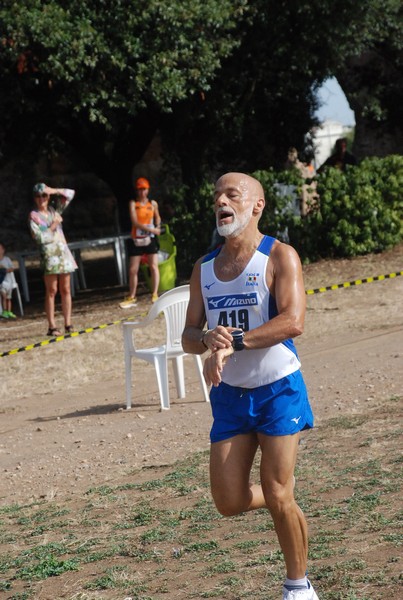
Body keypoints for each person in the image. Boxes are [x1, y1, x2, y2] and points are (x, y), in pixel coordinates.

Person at [182, 172, 319, 600]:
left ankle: (298, 586)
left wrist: (233, 342)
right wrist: (206, 339)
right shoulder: (204, 267)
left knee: (277, 490)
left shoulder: (280, 256)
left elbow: (293, 321)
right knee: (229, 501)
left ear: (256, 205)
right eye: (216, 194)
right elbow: (188, 335)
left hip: (278, 387)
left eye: (231, 194)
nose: (220, 201)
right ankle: (286, 502)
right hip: (229, 395)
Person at [29, 183, 77, 336]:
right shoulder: (34, 216)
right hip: (50, 256)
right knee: (52, 290)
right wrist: (53, 225)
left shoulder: (54, 209)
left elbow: (70, 193)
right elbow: (39, 238)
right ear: (34, 198)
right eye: (38, 196)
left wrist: (54, 190)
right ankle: (52, 326)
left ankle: (68, 323)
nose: (41, 198)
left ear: (48, 197)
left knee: (66, 289)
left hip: (63, 253)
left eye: (44, 195)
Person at [119, 177, 162, 308]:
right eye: (139, 190)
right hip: (137, 239)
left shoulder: (153, 204)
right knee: (133, 269)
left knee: (153, 266)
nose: (142, 192)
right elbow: (135, 222)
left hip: (150, 239)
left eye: (144, 189)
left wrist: (158, 226)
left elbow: (157, 217)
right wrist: (152, 229)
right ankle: (132, 295)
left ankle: (155, 293)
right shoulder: (133, 204)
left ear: (148, 190)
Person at [0, 241, 17, 319]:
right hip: (1, 282)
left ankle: (9, 311)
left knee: (8, 297)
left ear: (3, 250)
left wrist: (6, 270)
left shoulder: (7, 259)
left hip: (9, 282)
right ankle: (4, 311)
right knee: (4, 295)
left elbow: (12, 268)